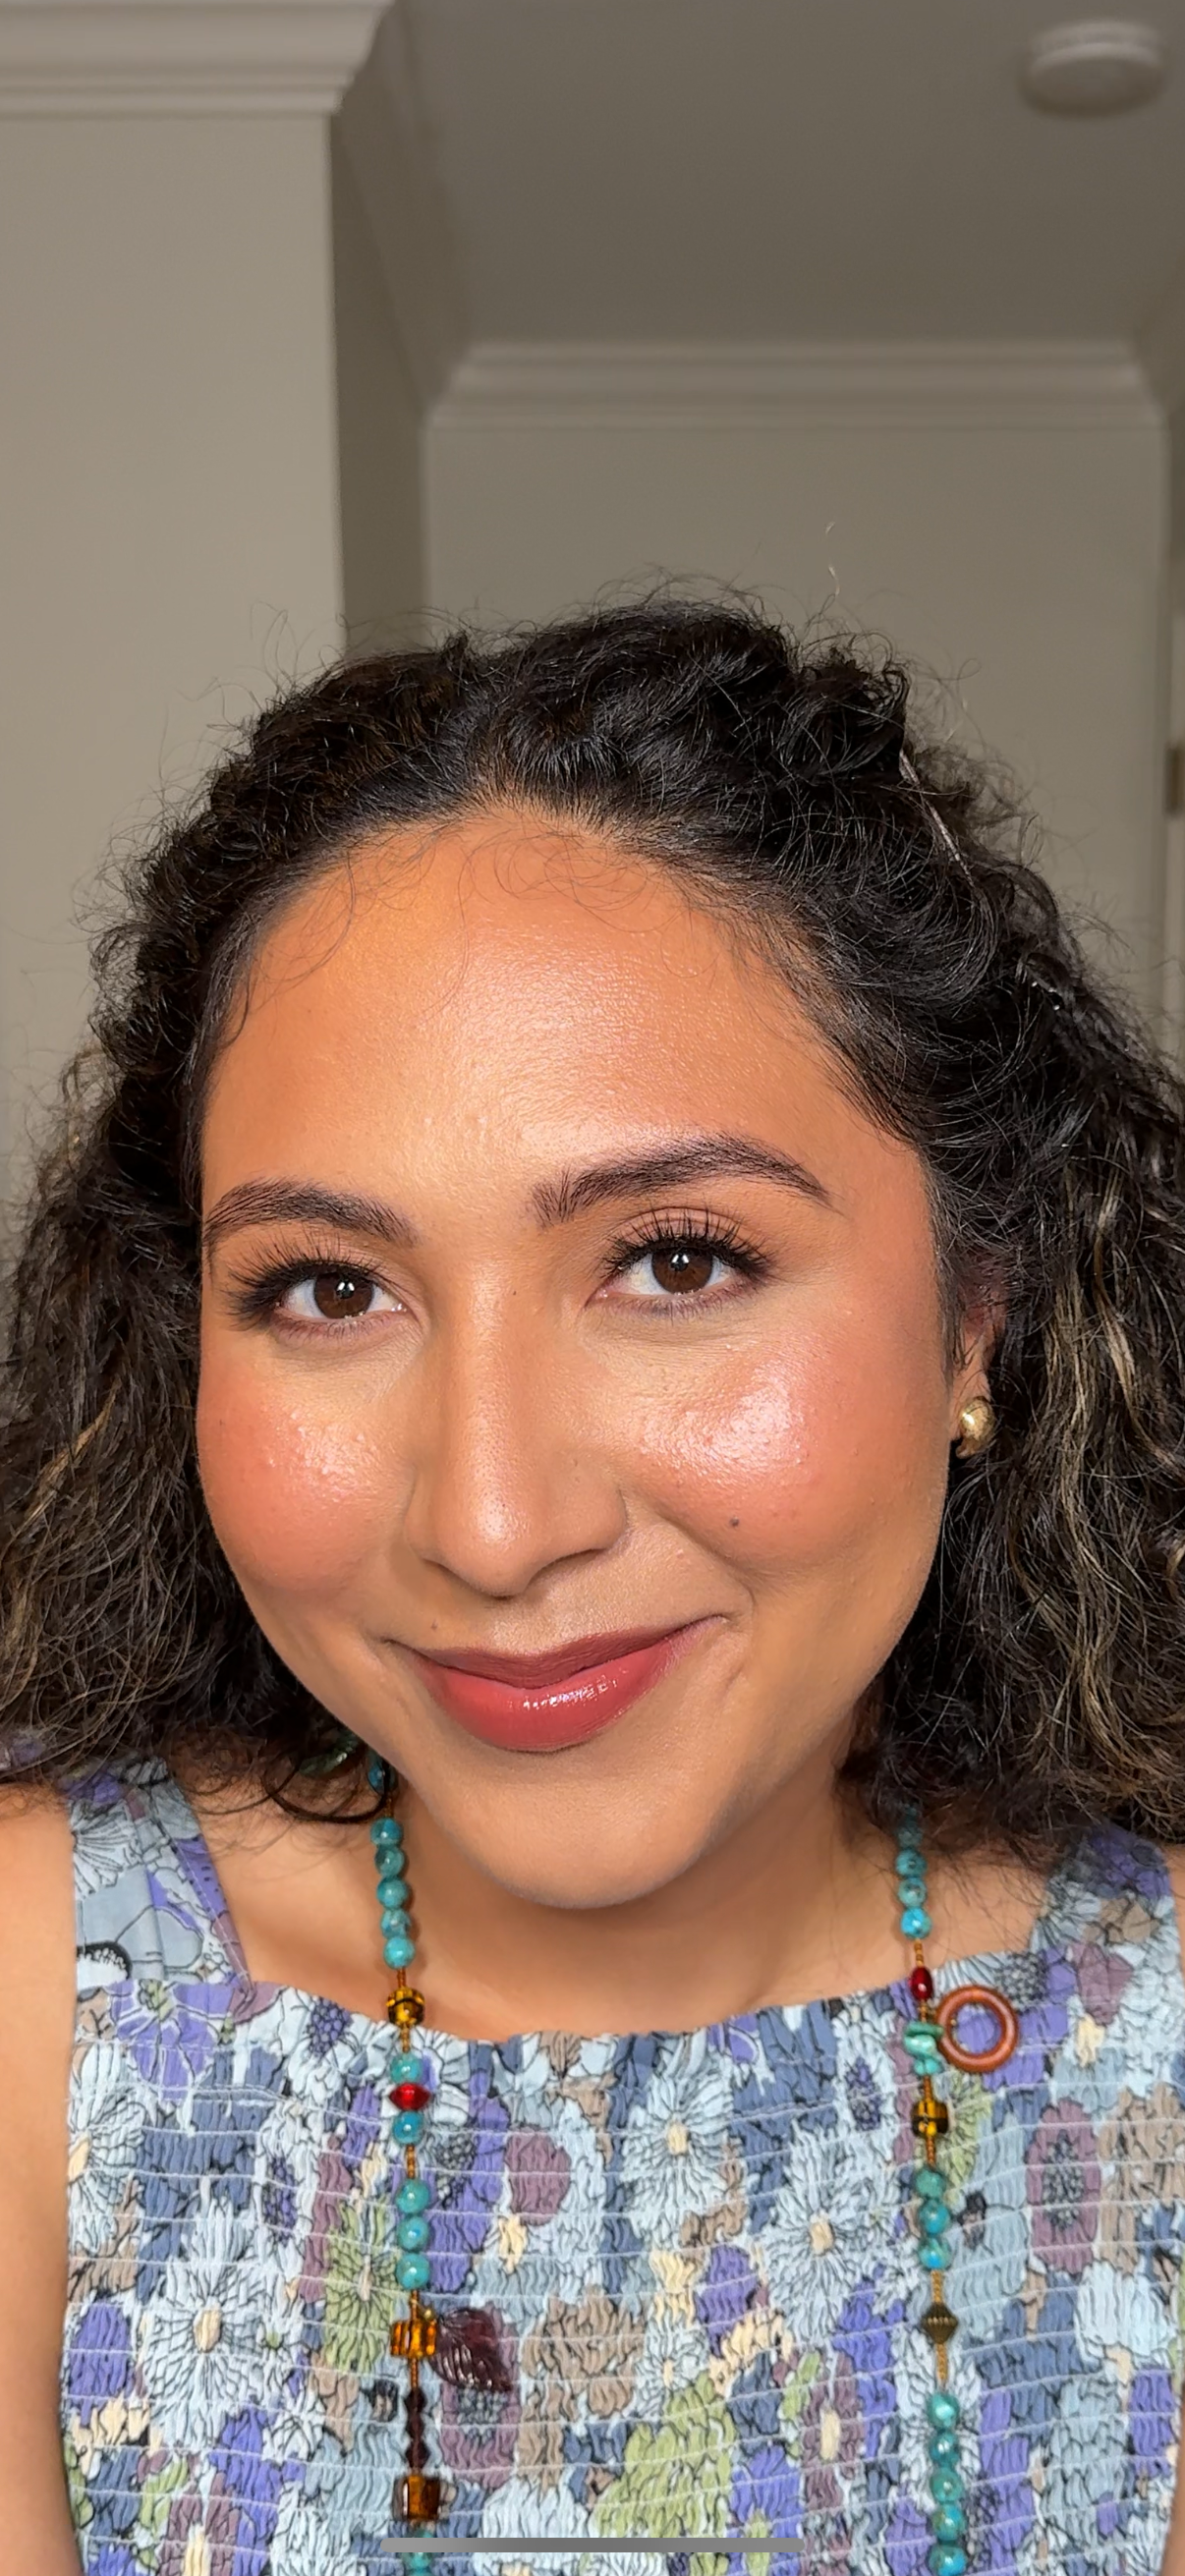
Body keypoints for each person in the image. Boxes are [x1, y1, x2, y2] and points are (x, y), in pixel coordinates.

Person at [2, 600, 1184, 2576]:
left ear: (976, 1309)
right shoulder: (41, 1991)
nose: (490, 1520)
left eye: (677, 1261)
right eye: (328, 1287)